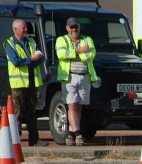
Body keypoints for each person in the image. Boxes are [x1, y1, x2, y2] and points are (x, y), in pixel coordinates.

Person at [4, 18, 48, 147]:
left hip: (31, 82)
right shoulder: (9, 44)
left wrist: (33, 60)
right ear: (15, 29)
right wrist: (31, 59)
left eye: (26, 28)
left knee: (31, 112)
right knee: (16, 113)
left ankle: (34, 140)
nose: (26, 30)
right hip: (17, 85)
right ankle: (14, 141)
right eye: (23, 28)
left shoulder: (31, 42)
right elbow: (16, 61)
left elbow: (40, 58)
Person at [56, 17, 98, 146]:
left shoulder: (87, 39)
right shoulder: (61, 40)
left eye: (76, 27)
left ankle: (70, 133)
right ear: (67, 28)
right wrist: (79, 51)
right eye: (72, 27)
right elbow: (61, 54)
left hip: (85, 76)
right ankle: (78, 134)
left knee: (78, 106)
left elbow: (91, 54)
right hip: (69, 77)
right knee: (72, 105)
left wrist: (74, 53)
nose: (74, 29)